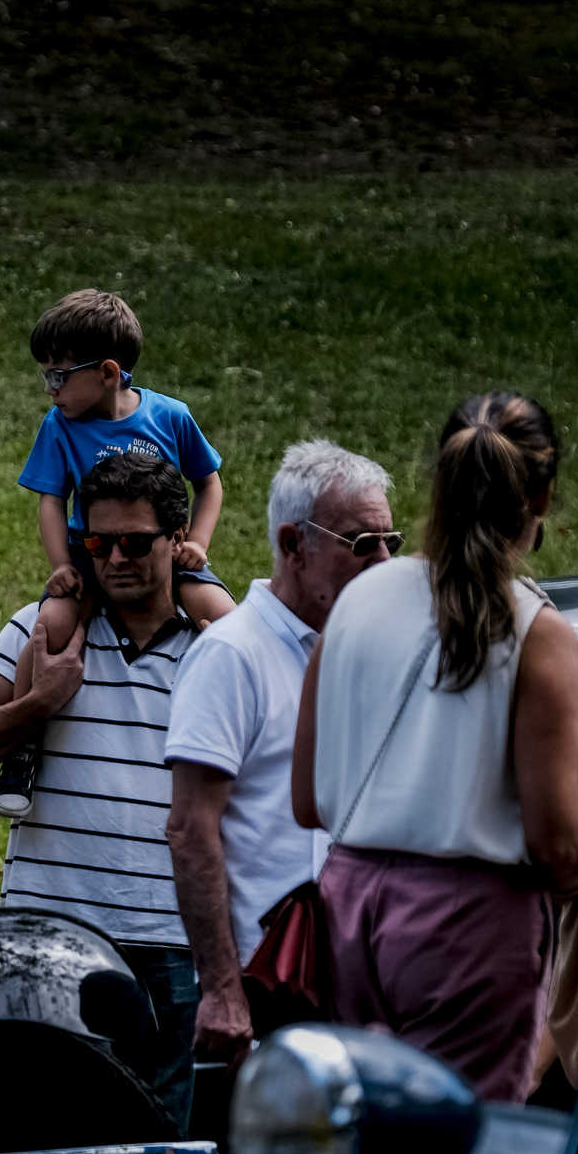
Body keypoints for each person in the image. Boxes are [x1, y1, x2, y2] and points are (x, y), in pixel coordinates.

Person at [292, 391, 578, 1102]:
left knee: (365, 1132)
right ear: (543, 495)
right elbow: (554, 843)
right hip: (469, 922)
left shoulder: (361, 599)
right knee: (464, 1146)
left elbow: (306, 800)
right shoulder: (536, 631)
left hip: (348, 907)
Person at [0, 453, 204, 1131]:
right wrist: (35, 703)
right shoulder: (45, 631)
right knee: (33, 1135)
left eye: (135, 543)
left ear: (177, 539)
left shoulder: (217, 647)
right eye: (97, 542)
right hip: (45, 938)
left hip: (170, 938)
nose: (113, 558)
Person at [163, 440, 398, 1061]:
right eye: (361, 543)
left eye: (390, 543)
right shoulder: (231, 654)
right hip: (266, 982)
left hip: (354, 985)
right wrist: (221, 990)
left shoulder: (363, 653)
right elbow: (191, 829)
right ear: (294, 545)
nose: (382, 562)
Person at [0, 289, 235, 819]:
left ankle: (241, 744)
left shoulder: (169, 416)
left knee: (228, 623)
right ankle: (24, 746)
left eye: (59, 375)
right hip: (90, 552)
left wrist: (197, 544)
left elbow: (209, 484)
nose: (50, 389)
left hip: (164, 554)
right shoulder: (59, 428)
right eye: (46, 375)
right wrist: (62, 566)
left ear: (107, 372)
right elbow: (52, 503)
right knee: (50, 624)